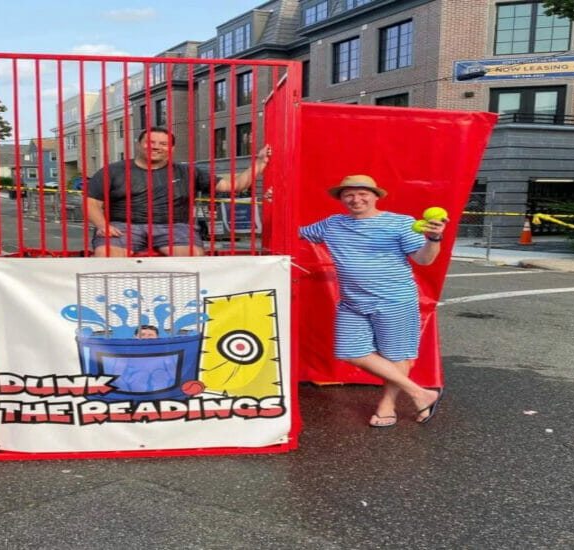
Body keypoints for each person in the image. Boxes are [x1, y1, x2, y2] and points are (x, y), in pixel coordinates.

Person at [298, 174, 447, 427]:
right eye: (349, 195)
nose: (356, 199)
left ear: (376, 196)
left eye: (363, 193)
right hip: (352, 303)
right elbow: (294, 232)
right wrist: (269, 203)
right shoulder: (331, 224)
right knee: (349, 351)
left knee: (395, 355)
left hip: (394, 301)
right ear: (342, 199)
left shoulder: (400, 223)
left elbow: (424, 260)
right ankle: (420, 393)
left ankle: (387, 406)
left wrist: (434, 239)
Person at [87, 127, 271, 257]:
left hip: (175, 227)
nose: (156, 146)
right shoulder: (112, 170)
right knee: (107, 258)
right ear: (139, 144)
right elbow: (92, 202)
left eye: (163, 143)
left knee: (192, 257)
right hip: (123, 226)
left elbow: (235, 185)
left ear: (171, 149)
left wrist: (260, 163)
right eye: (150, 142)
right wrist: (102, 225)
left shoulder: (188, 172)